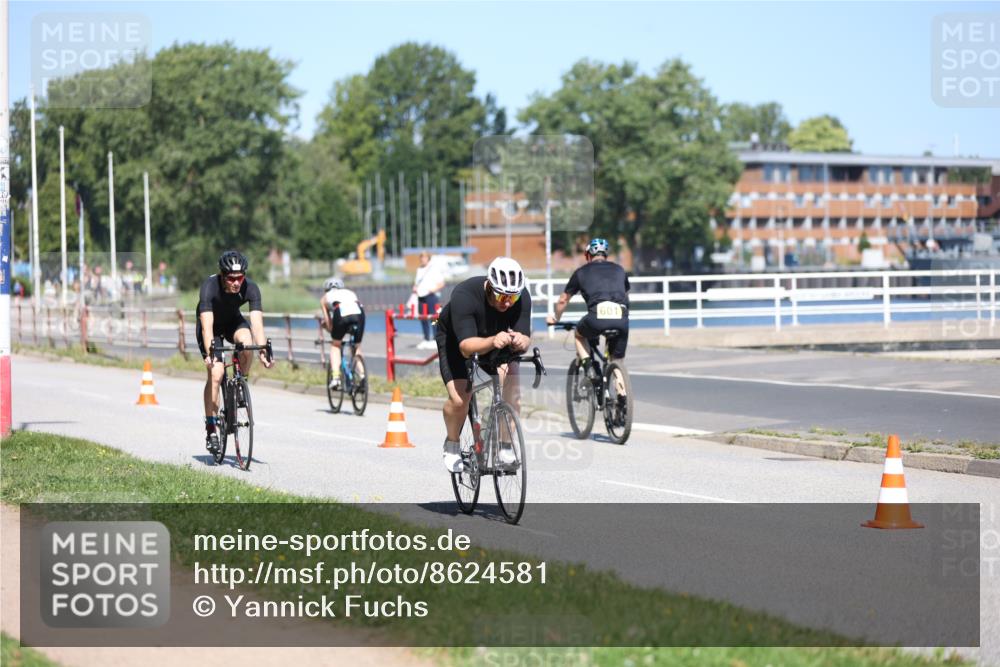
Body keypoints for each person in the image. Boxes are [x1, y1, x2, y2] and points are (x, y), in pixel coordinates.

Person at [435, 257, 531, 472]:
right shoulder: (464, 295)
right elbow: (466, 348)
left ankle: (505, 445)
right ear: (489, 285)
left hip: (494, 337)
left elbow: (524, 337)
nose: (507, 303)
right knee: (460, 399)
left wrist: (523, 341)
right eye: (501, 296)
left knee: (512, 388)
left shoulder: (522, 297)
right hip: (456, 340)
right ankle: (452, 443)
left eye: (512, 297)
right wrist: (492, 341)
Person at [197, 250, 274, 453]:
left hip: (232, 322)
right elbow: (206, 326)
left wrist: (264, 349)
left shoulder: (251, 288)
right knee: (216, 373)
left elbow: (257, 325)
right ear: (222, 276)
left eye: (240, 278)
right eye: (231, 278)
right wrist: (210, 353)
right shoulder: (209, 287)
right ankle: (211, 428)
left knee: (248, 343)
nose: (236, 283)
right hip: (211, 328)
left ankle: (241, 382)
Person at [546, 237, 631, 364]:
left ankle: (587, 366)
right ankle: (619, 375)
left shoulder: (581, 272)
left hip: (596, 318)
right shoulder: (619, 269)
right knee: (617, 362)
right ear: (605, 255)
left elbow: (563, 300)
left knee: (579, 335)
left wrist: (555, 318)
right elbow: (626, 296)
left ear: (588, 255)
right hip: (622, 319)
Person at [320, 276, 365, 390]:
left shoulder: (325, 298)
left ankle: (335, 379)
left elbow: (328, 323)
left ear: (326, 289)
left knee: (335, 345)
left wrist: (327, 327)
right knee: (356, 346)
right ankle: (362, 376)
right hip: (359, 313)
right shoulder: (350, 293)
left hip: (341, 312)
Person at [412, 252, 445, 350]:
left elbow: (441, 283)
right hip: (421, 296)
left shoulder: (433, 269)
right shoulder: (419, 270)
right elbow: (417, 282)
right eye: (421, 257)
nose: (422, 259)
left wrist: (432, 290)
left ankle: (436, 339)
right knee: (423, 318)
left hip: (431, 296)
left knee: (434, 319)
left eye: (424, 257)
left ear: (428, 258)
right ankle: (426, 339)